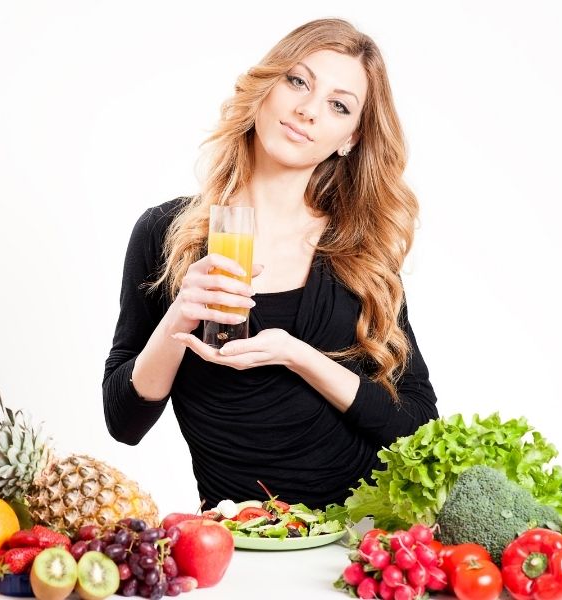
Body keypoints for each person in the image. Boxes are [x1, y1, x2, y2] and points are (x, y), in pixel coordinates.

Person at [103, 18, 438, 510]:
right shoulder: (166, 232)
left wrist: (297, 355)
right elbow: (124, 423)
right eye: (298, 81)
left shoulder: (358, 252)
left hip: (359, 545)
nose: (307, 110)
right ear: (266, 86)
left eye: (338, 105)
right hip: (234, 548)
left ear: (349, 137)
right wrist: (181, 314)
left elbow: (417, 426)